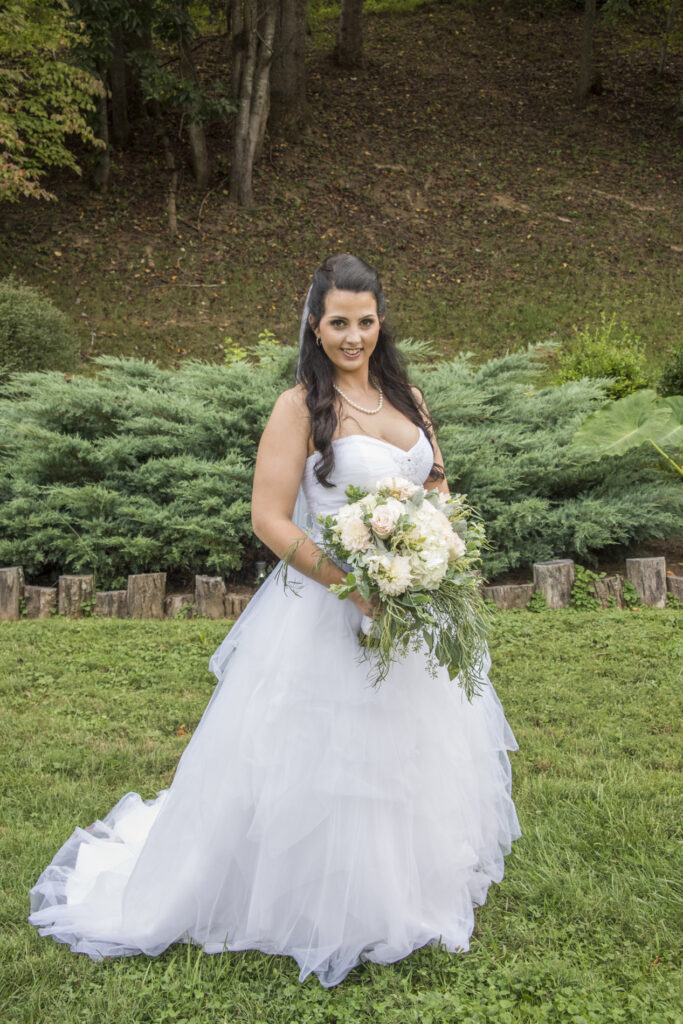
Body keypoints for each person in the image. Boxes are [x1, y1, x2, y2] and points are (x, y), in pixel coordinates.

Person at [28, 254, 522, 988]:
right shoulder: (299, 407)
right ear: (315, 327)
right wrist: (351, 584)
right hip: (328, 611)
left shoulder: (408, 396)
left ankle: (401, 886)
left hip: (412, 606)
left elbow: (437, 484)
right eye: (337, 323)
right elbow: (267, 517)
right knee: (326, 759)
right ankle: (324, 898)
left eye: (364, 321)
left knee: (407, 748)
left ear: (380, 322)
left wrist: (436, 554)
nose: (352, 336)